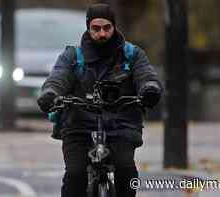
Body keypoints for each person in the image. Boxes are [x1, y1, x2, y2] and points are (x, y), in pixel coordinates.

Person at [37, 3, 163, 197]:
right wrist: (50, 94)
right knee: (75, 175)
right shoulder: (73, 56)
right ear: (88, 28)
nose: (102, 33)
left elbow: (146, 75)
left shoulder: (132, 55)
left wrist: (150, 89)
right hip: (79, 126)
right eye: (96, 28)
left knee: (126, 171)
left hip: (121, 125)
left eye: (106, 28)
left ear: (114, 27)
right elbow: (58, 78)